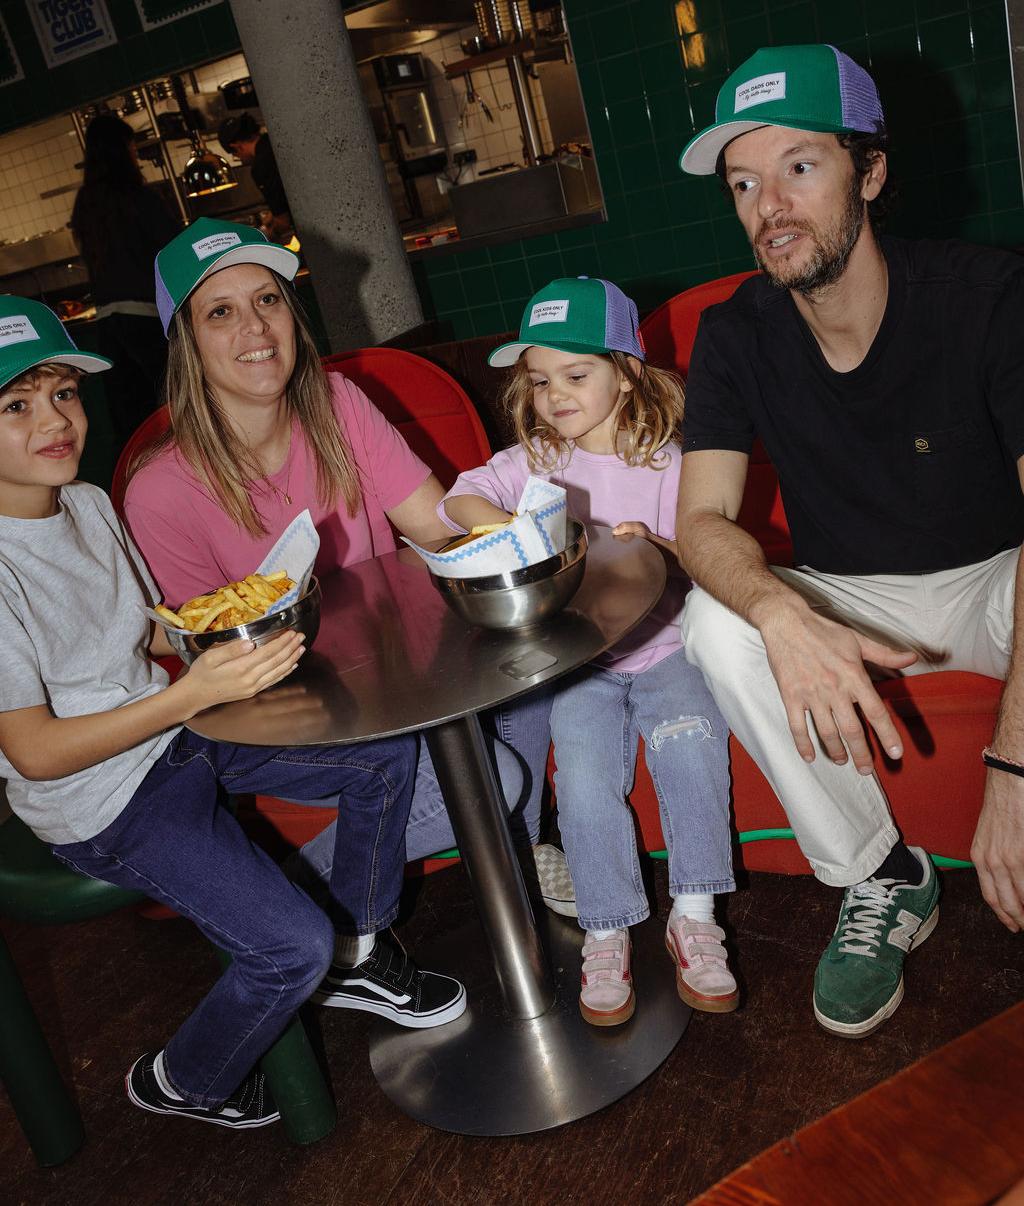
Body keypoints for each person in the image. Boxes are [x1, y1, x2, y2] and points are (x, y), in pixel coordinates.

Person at [0, 295, 463, 1130]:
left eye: (62, 393)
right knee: (292, 948)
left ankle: (361, 947)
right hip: (100, 801)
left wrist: (239, 632)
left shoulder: (90, 504)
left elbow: (153, 633)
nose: (55, 421)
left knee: (380, 753)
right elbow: (33, 752)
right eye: (16, 407)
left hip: (177, 733)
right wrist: (192, 694)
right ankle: (184, 1079)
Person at [675, 43, 1024, 1040]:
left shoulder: (988, 296)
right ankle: (881, 873)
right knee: (716, 621)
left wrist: (1012, 773)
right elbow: (699, 523)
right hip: (847, 600)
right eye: (744, 183)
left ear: (869, 171)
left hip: (996, 586)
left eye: (799, 166)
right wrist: (782, 613)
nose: (769, 207)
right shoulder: (735, 331)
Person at [123, 218, 570, 974]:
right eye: (220, 311)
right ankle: (289, 902)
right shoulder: (160, 488)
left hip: (402, 668)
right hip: (294, 707)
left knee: (536, 657)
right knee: (505, 781)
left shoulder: (337, 402)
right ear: (187, 344)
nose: (255, 327)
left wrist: (529, 537)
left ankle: (515, 846)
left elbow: (436, 527)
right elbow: (199, 647)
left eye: (267, 299)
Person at [439, 277, 736, 1025]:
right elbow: (458, 497)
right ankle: (606, 929)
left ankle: (695, 915)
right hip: (580, 665)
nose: (555, 396)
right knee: (580, 783)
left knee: (692, 748)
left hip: (667, 649)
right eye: (540, 381)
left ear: (627, 372)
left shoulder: (668, 462)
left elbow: (708, 551)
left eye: (576, 375)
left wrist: (658, 545)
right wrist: (514, 528)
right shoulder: (539, 460)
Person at [69, 112, 180, 451]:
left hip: (108, 321)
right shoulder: (141, 198)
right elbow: (175, 252)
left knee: (131, 424)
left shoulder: (85, 204)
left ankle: (137, 480)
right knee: (173, 408)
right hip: (147, 316)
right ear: (124, 150)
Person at [217, 113, 292, 244]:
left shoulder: (261, 166)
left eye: (236, 155)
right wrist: (271, 217)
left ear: (237, 146)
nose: (240, 159)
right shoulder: (276, 140)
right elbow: (283, 201)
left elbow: (283, 220)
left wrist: (265, 236)